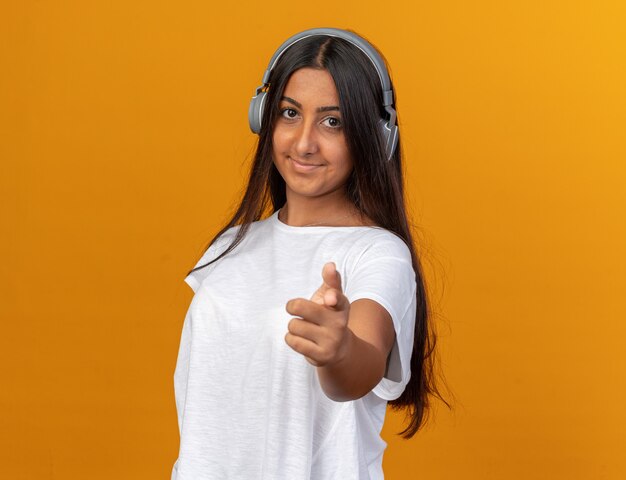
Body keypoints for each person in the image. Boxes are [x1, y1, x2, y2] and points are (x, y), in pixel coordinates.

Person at [171, 28, 446, 479]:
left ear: (374, 136)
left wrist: (339, 353)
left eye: (332, 122)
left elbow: (360, 369)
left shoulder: (377, 255)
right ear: (264, 117)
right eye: (289, 113)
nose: (303, 142)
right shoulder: (229, 247)